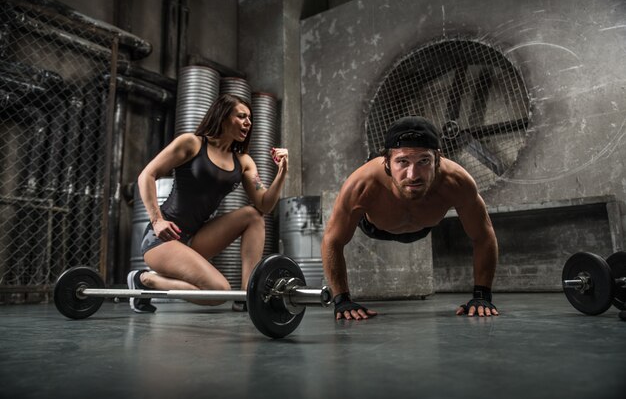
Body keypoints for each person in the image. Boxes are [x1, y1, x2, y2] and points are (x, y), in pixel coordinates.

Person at [321, 116, 499, 320]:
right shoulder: (362, 185)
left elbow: (484, 236)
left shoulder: (457, 182)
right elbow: (332, 240)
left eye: (424, 161)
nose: (413, 174)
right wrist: (342, 300)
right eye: (402, 161)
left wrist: (482, 296)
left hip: (424, 223)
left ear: (438, 159)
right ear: (386, 162)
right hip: (375, 225)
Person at [128, 93, 288, 313]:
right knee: (218, 292)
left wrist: (282, 172)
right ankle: (144, 280)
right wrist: (157, 221)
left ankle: (247, 296)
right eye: (241, 116)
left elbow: (264, 205)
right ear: (223, 117)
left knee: (253, 216)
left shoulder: (243, 162)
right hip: (162, 239)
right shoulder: (191, 143)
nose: (248, 123)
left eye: (250, 118)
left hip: (195, 238)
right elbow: (147, 175)